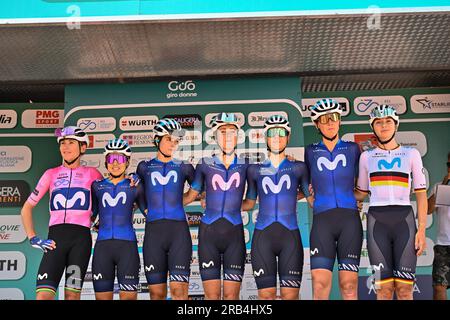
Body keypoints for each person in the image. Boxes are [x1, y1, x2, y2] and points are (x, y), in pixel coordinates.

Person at [21, 126, 103, 300]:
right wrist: (32, 237)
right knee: (43, 296)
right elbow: (26, 208)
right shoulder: (51, 174)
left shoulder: (93, 174)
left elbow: (109, 200)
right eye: (63, 143)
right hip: (55, 241)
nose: (65, 147)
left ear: (83, 147)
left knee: (72, 296)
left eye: (71, 142)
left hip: (80, 242)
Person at [355, 105, 428, 300]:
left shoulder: (411, 154)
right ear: (373, 128)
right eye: (378, 122)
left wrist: (421, 230)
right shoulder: (366, 157)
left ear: (396, 125)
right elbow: (360, 194)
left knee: (405, 291)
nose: (384, 125)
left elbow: (421, 194)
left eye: (388, 121)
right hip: (376, 224)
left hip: (405, 222)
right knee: (383, 290)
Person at [242, 115, 313, 300]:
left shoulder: (299, 168)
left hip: (290, 238)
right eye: (272, 133)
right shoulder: (254, 170)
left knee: (290, 297)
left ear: (288, 137)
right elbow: (249, 204)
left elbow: (312, 200)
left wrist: (352, 200)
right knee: (266, 297)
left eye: (282, 132)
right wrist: (218, 205)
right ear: (265, 137)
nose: (276, 137)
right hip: (262, 238)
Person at [184, 112, 249, 300]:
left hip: (234, 234)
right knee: (211, 297)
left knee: (231, 298)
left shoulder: (247, 165)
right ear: (215, 136)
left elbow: (252, 202)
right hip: (208, 236)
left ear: (237, 135)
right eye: (222, 131)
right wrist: (157, 205)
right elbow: (190, 197)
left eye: (231, 131)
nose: (227, 136)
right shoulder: (205, 164)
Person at [305, 98, 363, 300]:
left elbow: (362, 184)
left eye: (334, 118)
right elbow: (303, 178)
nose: (330, 122)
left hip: (349, 221)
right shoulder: (310, 151)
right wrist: (309, 197)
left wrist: (359, 197)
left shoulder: (353, 149)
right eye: (324, 119)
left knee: (349, 286)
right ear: (317, 124)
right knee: (320, 285)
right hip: (323, 221)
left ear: (340, 122)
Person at [137, 118, 195, 300]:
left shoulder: (184, 167)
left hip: (178, 232)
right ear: (157, 140)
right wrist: (147, 210)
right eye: (168, 139)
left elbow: (200, 192)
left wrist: (179, 202)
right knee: (156, 294)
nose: (173, 144)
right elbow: (136, 193)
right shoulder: (144, 167)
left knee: (179, 292)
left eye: (176, 141)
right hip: (154, 233)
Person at [90, 139, 147, 300]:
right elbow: (91, 215)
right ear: (105, 162)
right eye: (110, 159)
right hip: (102, 248)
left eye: (120, 159)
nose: (115, 163)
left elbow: (149, 212)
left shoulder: (135, 185)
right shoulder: (96, 186)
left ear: (127, 161)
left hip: (127, 248)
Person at [428, 151, 450, 300]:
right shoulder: (439, 186)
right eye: (449, 164)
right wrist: (443, 186)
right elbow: (428, 210)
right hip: (443, 245)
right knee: (439, 287)